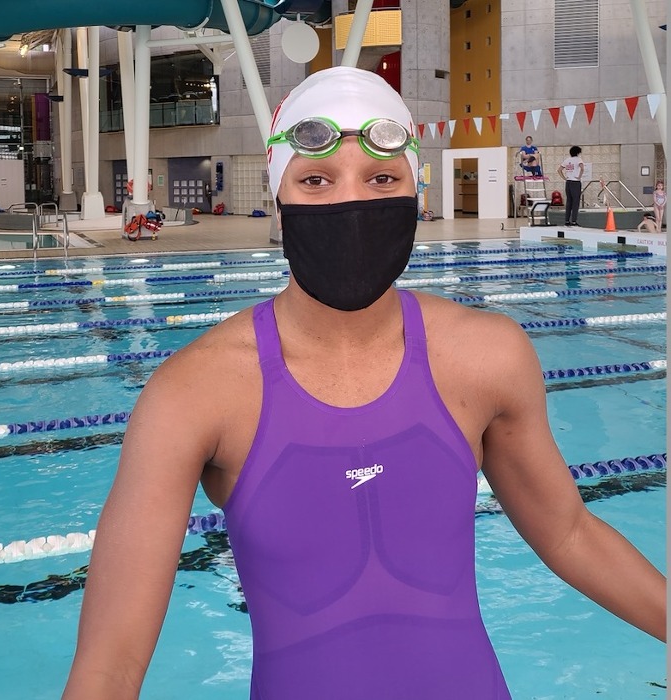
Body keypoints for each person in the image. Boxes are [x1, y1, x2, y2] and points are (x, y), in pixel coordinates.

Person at [62, 68, 665, 700]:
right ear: (278, 197)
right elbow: (110, 667)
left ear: (415, 195)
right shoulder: (194, 391)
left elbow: (570, 534)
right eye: (316, 180)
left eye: (381, 180)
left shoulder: (485, 355)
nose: (350, 205)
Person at [557, 145, 585, 226]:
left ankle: (567, 220)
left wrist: (564, 178)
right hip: (575, 182)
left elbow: (559, 170)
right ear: (578, 153)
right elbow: (582, 168)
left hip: (568, 182)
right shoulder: (578, 159)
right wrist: (579, 176)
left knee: (569, 201)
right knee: (575, 202)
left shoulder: (567, 160)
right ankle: (574, 221)